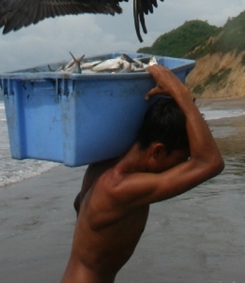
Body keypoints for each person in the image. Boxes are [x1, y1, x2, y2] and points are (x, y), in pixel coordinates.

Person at [60, 62, 225, 283]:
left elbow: (79, 204)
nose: (181, 167)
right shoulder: (121, 188)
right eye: (180, 160)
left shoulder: (103, 165)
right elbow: (209, 162)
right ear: (158, 150)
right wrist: (180, 93)